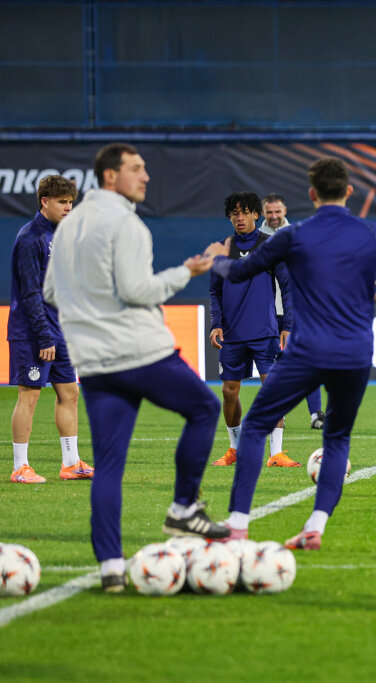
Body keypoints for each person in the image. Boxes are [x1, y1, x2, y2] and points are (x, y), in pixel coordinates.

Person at [43, 143, 229, 592]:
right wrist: (189, 270)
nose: (145, 177)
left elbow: (51, 292)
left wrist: (89, 308)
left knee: (108, 465)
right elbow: (138, 290)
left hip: (94, 361)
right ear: (111, 177)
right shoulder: (126, 223)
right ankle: (184, 508)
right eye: (136, 169)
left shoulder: (67, 228)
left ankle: (110, 566)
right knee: (204, 409)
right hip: (138, 351)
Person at [204, 157, 376, 549]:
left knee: (254, 427)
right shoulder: (373, 233)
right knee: (337, 439)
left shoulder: (292, 235)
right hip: (353, 353)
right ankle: (315, 525)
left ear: (313, 194)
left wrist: (217, 256)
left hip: (307, 350)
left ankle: (237, 525)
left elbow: (238, 272)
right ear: (349, 192)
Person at [8, 175, 93, 484]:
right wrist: (44, 335)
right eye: (62, 202)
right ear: (45, 202)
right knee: (29, 396)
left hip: (61, 331)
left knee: (69, 393)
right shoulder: (30, 237)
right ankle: (20, 467)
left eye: (71, 202)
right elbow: (30, 293)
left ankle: (71, 463)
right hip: (33, 333)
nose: (69, 208)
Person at [209, 192, 299, 468]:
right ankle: (235, 448)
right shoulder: (223, 248)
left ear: (255, 215)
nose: (239, 217)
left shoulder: (270, 245)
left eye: (245, 212)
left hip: (265, 331)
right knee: (229, 392)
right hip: (233, 334)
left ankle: (276, 453)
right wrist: (216, 324)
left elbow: (287, 287)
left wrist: (288, 326)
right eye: (234, 212)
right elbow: (214, 291)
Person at [260, 192, 325, 430]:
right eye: (270, 212)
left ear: (285, 211)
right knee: (270, 367)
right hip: (265, 312)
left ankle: (316, 414)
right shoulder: (256, 239)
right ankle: (277, 415)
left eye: (278, 211)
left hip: (296, 311)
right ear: (263, 213)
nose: (274, 216)